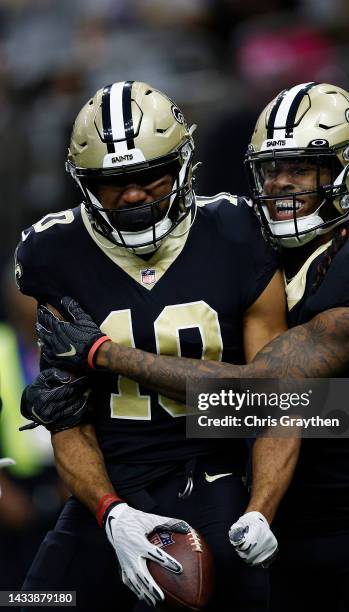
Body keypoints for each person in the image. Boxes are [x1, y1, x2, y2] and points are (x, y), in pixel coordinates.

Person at [34, 82, 349, 611]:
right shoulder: (246, 243)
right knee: (33, 599)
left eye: (302, 169)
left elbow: (265, 391)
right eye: (272, 169)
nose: (282, 185)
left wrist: (104, 357)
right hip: (267, 522)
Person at [15, 80, 287, 611]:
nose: (134, 194)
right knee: (36, 601)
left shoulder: (237, 230)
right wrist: (109, 511)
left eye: (148, 176)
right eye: (112, 182)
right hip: (114, 479)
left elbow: (274, 398)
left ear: (185, 165)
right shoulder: (53, 251)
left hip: (213, 473)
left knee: (239, 588)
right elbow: (65, 413)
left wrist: (261, 508)